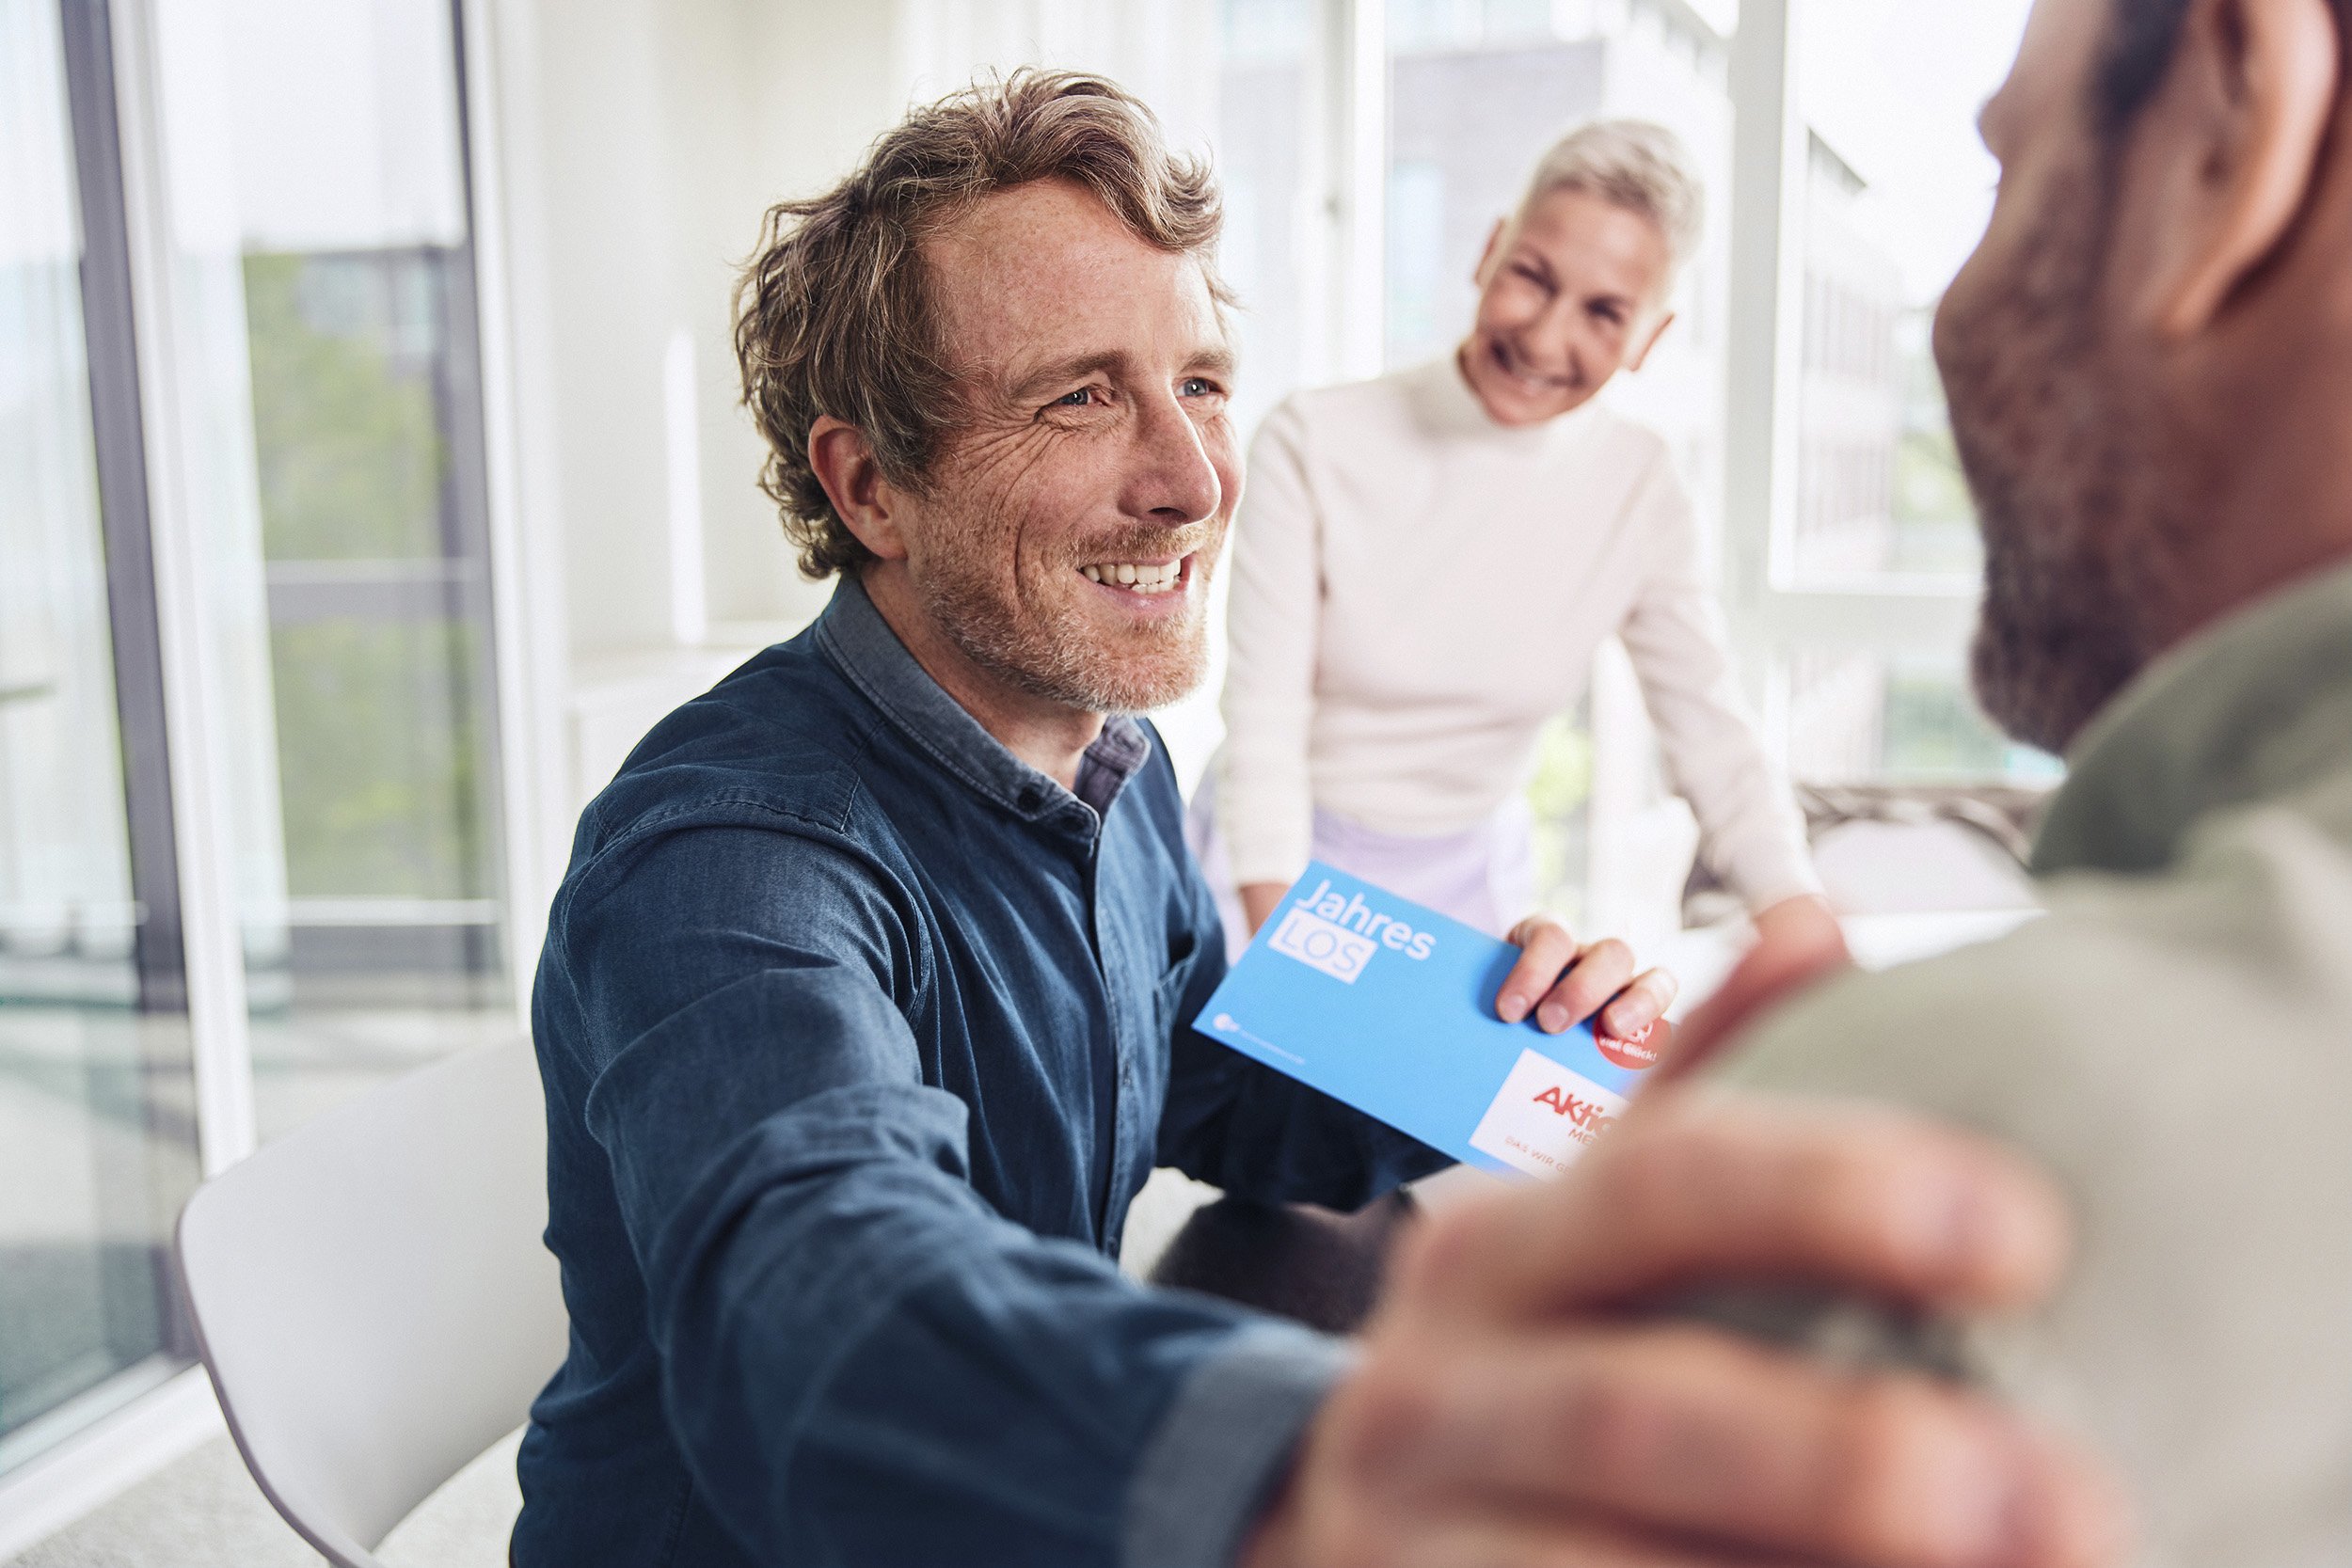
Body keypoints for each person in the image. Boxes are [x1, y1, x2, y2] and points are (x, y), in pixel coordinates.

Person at [510, 71, 2118, 1568]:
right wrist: (1338, 1462)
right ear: (870, 486)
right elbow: (817, 1307)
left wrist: (1525, 1046)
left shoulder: (1107, 771)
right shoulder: (730, 853)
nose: (1199, 476)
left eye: (1199, 380)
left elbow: (1220, 1064)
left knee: (1415, 1280)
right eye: (1081, 397)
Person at [1558, 0, 2352, 1560]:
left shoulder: (1918, 1190)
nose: (1955, 306)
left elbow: (1708, 719)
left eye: (2007, 169)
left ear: (2231, 127)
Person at [1201, 119, 1830, 971]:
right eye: (1532, 278)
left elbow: (1714, 739)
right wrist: (1283, 948)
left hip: (1470, 886)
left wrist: (1808, 939)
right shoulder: (1313, 438)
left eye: (1605, 313)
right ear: (1491, 252)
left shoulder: (1640, 490)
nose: (1543, 339)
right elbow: (1264, 725)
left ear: (1650, 335)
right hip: (1264, 866)